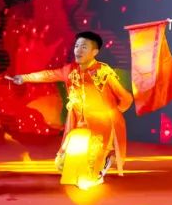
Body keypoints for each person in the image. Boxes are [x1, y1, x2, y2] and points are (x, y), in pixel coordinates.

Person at [12, 31, 132, 187]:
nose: (78, 50)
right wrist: (24, 78)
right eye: (76, 46)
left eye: (84, 47)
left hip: (102, 125)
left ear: (95, 52)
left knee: (90, 174)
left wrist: (113, 114)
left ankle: (102, 164)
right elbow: (48, 75)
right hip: (77, 123)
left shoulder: (103, 72)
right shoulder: (69, 70)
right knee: (63, 163)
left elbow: (126, 98)